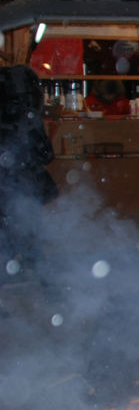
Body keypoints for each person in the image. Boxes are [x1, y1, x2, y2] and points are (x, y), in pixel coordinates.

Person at [0, 65, 59, 274]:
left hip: (5, 187)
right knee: (31, 236)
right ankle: (47, 287)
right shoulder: (28, 115)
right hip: (25, 185)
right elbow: (46, 154)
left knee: (5, 241)